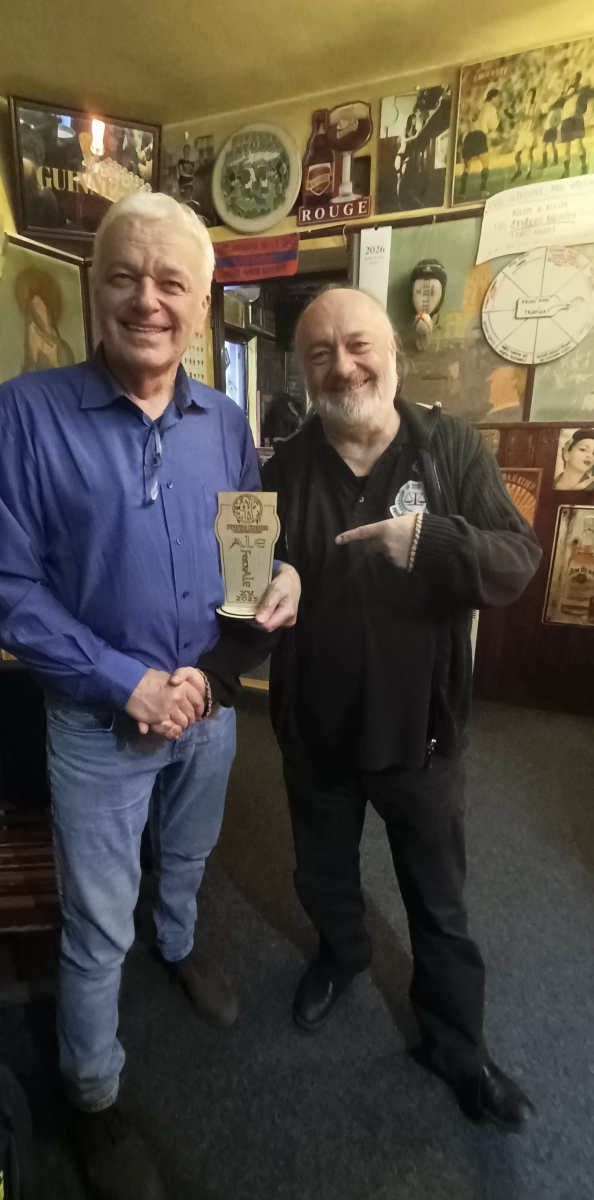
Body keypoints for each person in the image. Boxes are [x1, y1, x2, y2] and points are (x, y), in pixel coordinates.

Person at [0, 191, 300, 1200]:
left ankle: (181, 943)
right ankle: (93, 1094)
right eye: (124, 276)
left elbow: (246, 555)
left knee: (189, 855)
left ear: (200, 305)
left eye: (170, 282)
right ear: (91, 290)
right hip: (94, 722)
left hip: (209, 706)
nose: (147, 300)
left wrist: (274, 579)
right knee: (95, 922)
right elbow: (9, 593)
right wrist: (128, 684)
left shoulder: (227, 422)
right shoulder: (18, 418)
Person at [261, 287, 542, 1133]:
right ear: (303, 370)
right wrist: (279, 575)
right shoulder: (283, 467)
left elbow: (518, 557)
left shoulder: (448, 447)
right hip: (316, 727)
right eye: (320, 353)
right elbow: (253, 564)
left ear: (391, 351)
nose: (342, 366)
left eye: (357, 345)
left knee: (438, 902)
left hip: (421, 732)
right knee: (322, 872)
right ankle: (341, 956)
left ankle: (456, 1045)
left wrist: (427, 541)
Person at [459, 88, 501, 199]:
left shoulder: (479, 105)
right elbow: (492, 126)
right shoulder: (491, 108)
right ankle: (483, 190)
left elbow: (471, 118)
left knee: (466, 167)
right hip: (479, 135)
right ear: (494, 97)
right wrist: (498, 118)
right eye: (498, 97)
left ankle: (462, 193)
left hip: (469, 136)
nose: (499, 100)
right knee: (485, 164)